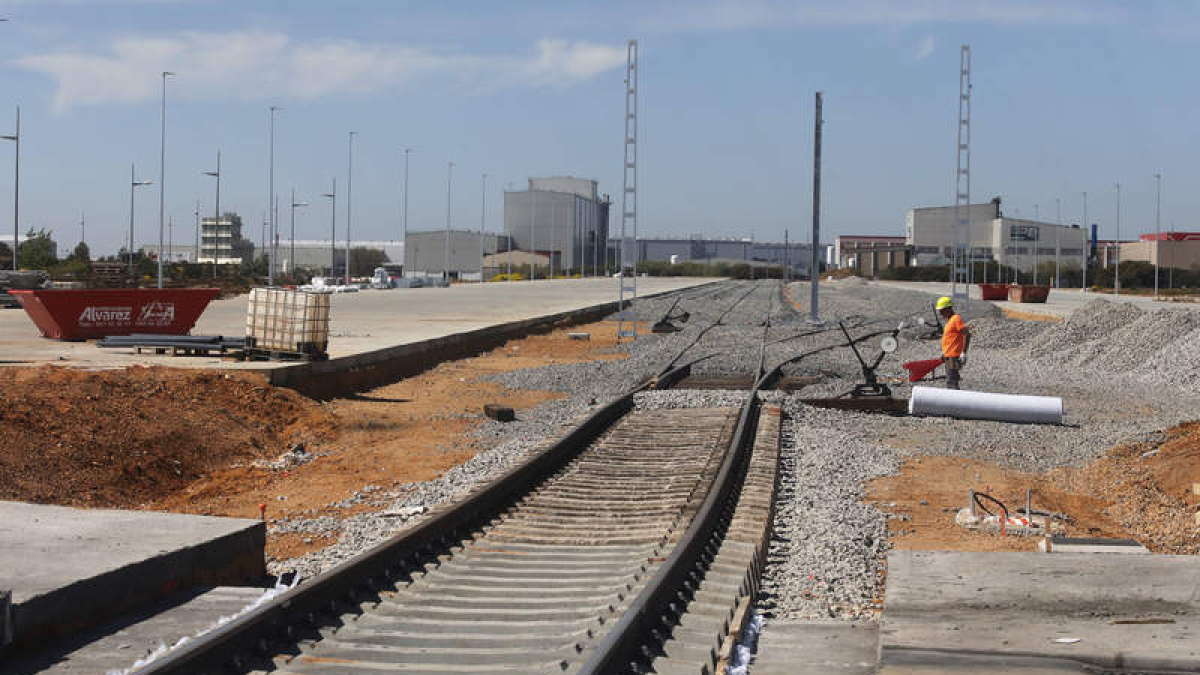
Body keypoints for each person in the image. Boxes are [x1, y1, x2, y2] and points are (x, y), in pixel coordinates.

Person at [937, 296, 970, 390]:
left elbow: (967, 334)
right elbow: (950, 340)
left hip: (953, 357)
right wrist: (944, 353)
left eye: (941, 310)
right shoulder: (949, 321)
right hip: (949, 356)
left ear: (948, 309)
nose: (940, 313)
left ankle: (955, 399)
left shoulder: (956, 319)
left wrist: (964, 352)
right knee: (951, 381)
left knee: (952, 382)